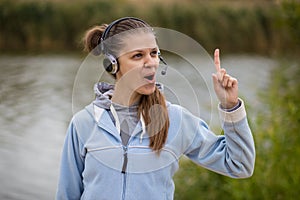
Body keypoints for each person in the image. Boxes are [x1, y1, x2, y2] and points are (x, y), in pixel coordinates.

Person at [56, 17, 255, 200]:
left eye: (154, 53)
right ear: (112, 65)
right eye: (137, 56)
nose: (150, 63)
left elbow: (239, 165)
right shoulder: (84, 123)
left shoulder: (175, 119)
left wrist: (231, 107)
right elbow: (67, 195)